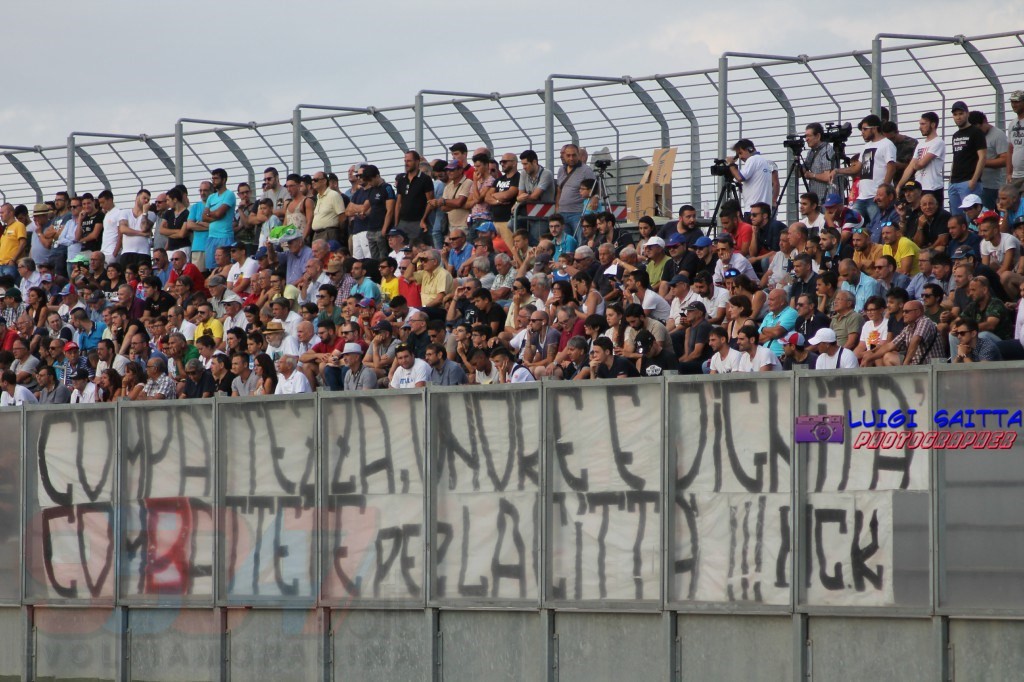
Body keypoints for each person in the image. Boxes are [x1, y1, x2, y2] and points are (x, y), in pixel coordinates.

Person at [834, 114, 897, 224]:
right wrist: (837, 171)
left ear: (875, 128)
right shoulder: (866, 147)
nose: (862, 132)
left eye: (865, 129)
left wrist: (882, 191)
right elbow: (856, 169)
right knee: (852, 225)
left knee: (877, 226)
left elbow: (891, 167)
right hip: (862, 197)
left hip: (875, 197)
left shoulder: (887, 144)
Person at [947, 101, 988, 217]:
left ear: (967, 114)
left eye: (961, 113)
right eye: (955, 114)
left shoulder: (976, 132)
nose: (958, 117)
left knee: (971, 218)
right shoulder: (955, 135)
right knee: (957, 219)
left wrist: (974, 180)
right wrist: (950, 180)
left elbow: (982, 157)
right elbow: (955, 158)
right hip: (954, 182)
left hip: (968, 181)